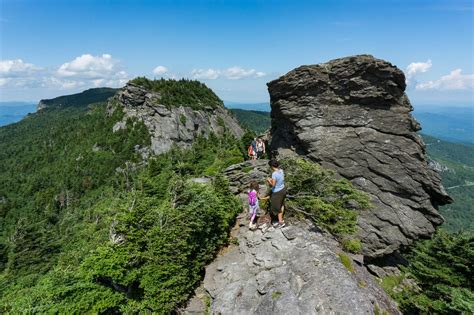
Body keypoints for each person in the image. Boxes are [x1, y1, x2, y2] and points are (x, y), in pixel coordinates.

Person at [266, 159, 286, 228]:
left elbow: (273, 185)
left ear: (271, 166)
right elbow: (280, 179)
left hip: (277, 192)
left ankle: (280, 222)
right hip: (283, 189)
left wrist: (269, 181)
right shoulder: (281, 170)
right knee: (281, 204)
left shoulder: (274, 174)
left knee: (276, 207)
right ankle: (280, 219)